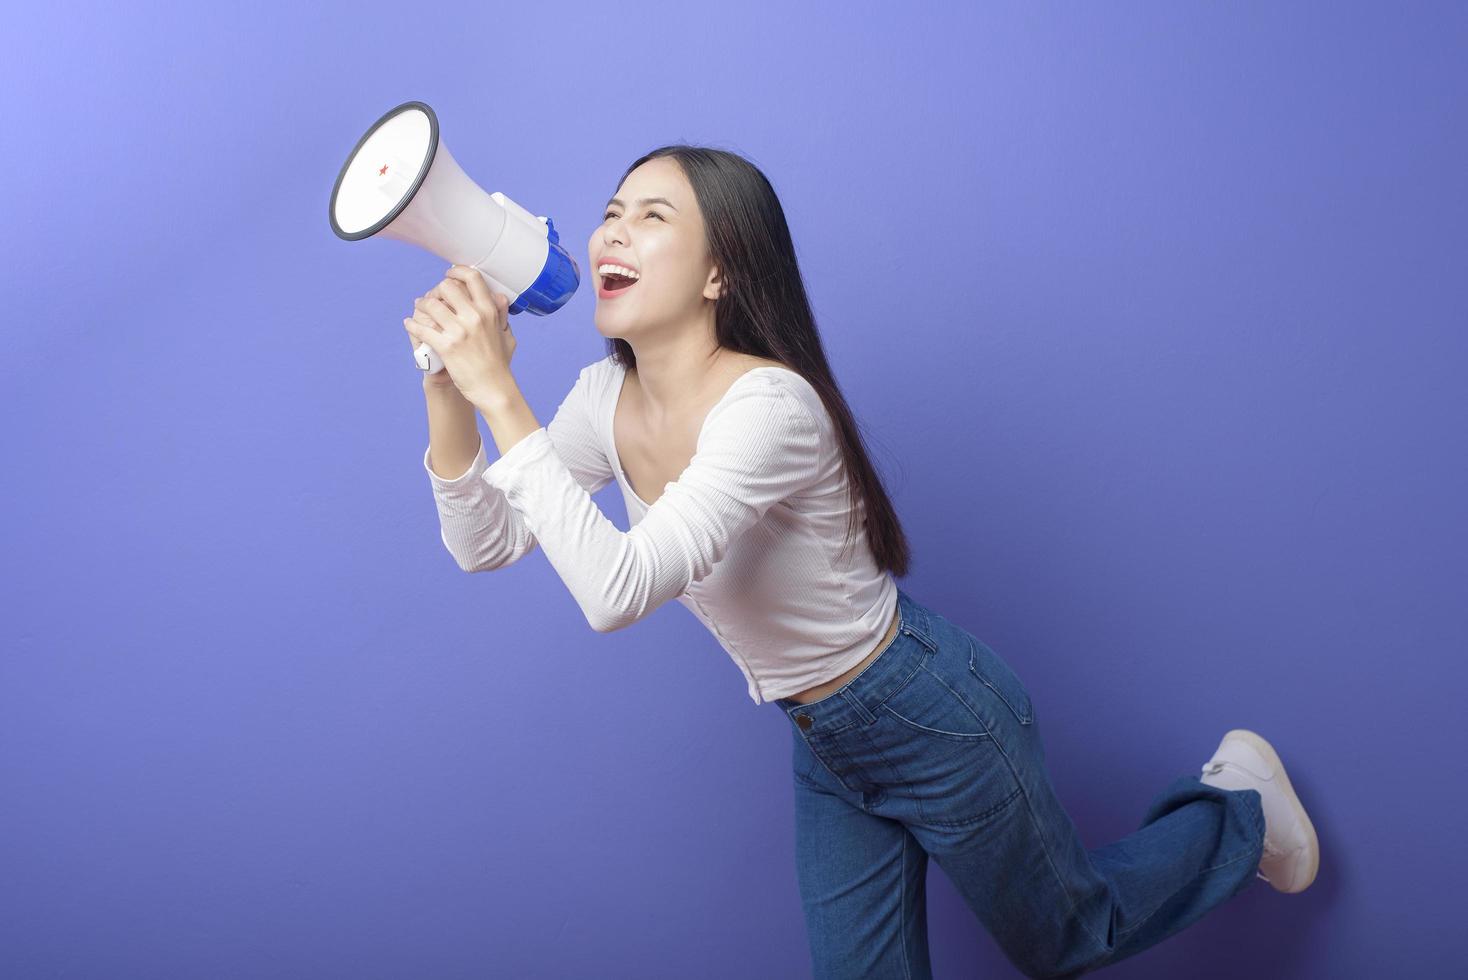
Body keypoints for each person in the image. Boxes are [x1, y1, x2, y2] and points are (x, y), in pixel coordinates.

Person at [403, 145, 1320, 979]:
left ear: (721, 269)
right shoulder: (605, 396)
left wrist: (500, 392)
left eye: (654, 215)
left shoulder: (771, 407)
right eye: (612, 210)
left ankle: (1239, 807)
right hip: (825, 743)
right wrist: (449, 389)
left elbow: (617, 591)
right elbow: (486, 543)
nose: (615, 228)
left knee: (1066, 939)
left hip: (931, 711)